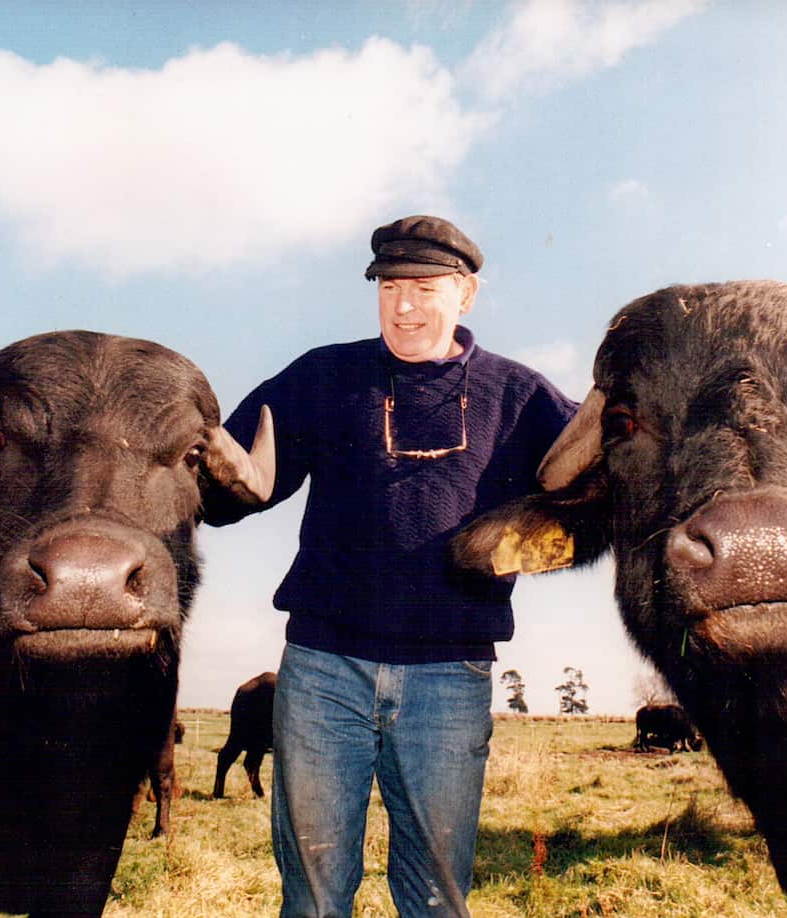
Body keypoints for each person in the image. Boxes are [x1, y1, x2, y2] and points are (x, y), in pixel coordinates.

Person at [204, 215, 577, 917]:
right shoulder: (321, 377)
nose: (403, 305)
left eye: (425, 287)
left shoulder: (522, 396)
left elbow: (601, 483)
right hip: (322, 669)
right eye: (389, 286)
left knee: (436, 897)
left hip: (449, 675)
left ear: (467, 295)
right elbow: (227, 484)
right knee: (313, 896)